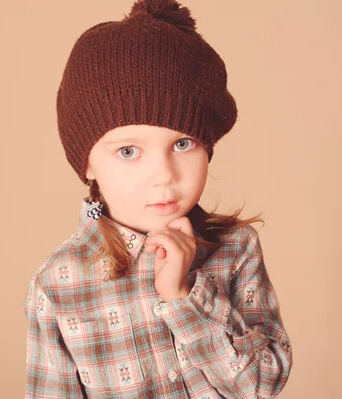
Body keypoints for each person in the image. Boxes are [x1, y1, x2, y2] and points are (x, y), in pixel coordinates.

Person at [23, 0, 293, 398]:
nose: (164, 174)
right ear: (88, 164)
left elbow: (262, 384)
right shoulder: (59, 283)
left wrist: (184, 299)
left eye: (183, 143)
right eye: (128, 151)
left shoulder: (235, 249)